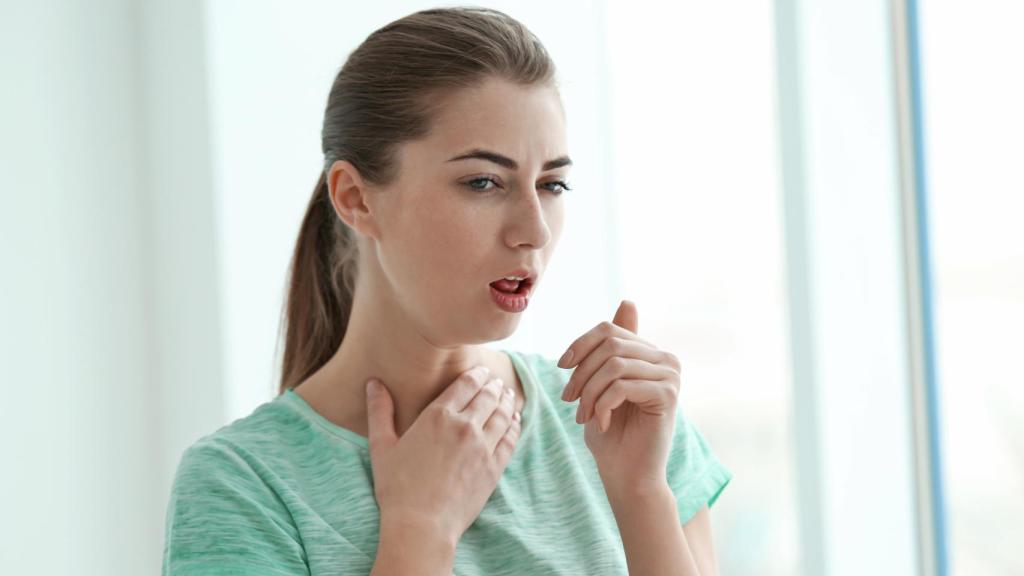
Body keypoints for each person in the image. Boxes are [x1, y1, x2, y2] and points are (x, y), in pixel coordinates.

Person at [162, 6, 731, 575]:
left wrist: (641, 493)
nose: (534, 230)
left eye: (552, 184)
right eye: (483, 182)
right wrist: (420, 533)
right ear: (356, 199)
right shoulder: (242, 485)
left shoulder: (625, 420)